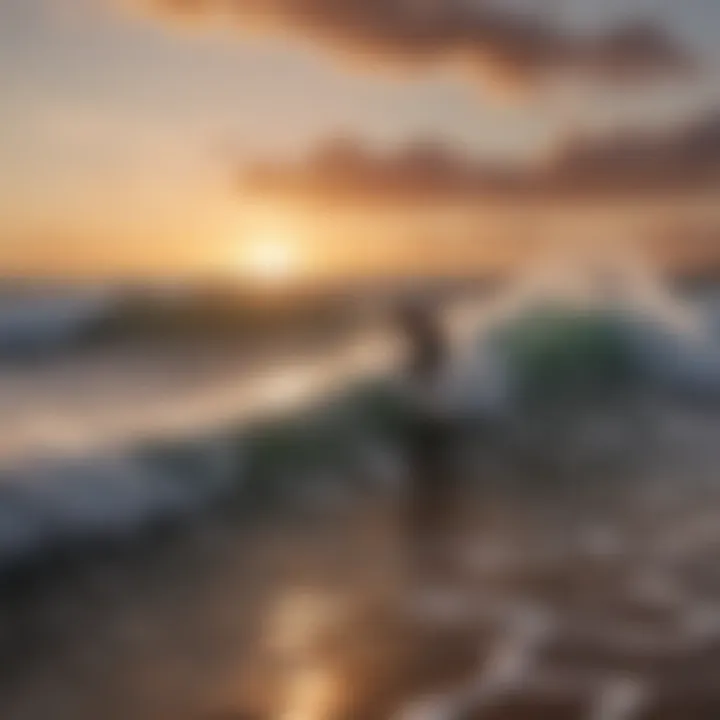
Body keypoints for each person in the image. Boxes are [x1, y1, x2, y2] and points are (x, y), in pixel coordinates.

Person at [395, 296, 455, 579]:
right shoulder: (432, 343)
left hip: (430, 421)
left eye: (408, 321)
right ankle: (434, 525)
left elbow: (423, 373)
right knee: (431, 477)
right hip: (432, 419)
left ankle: (432, 529)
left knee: (428, 476)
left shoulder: (428, 345)